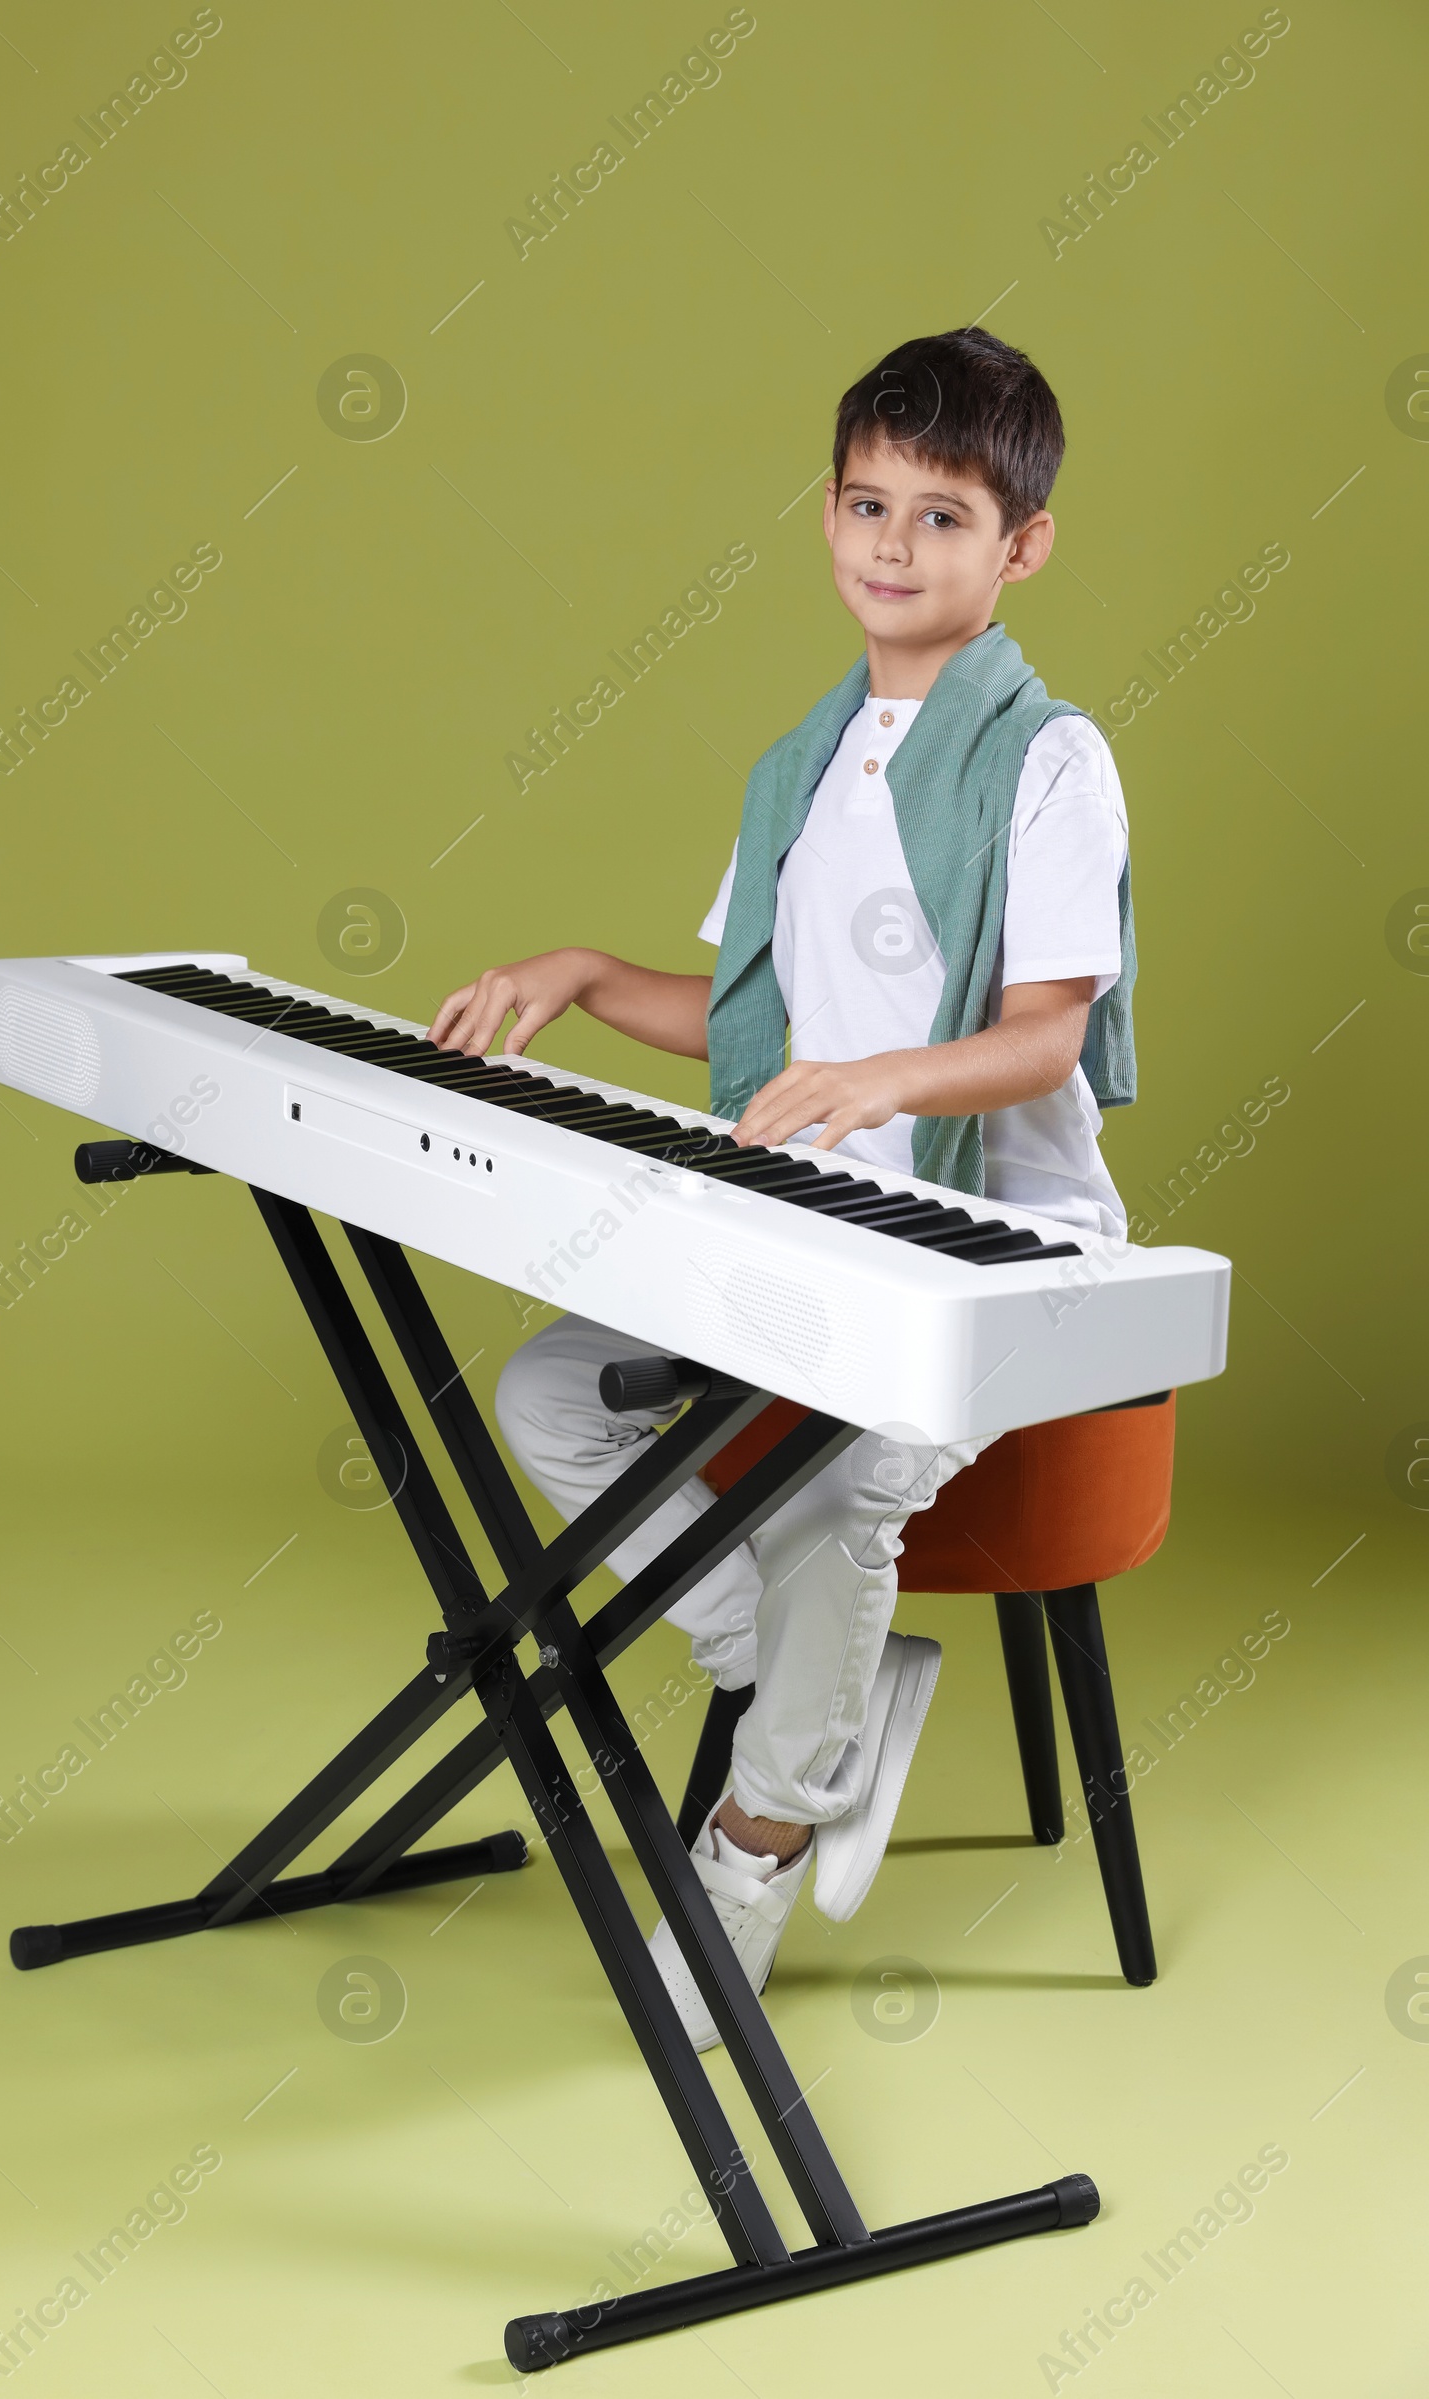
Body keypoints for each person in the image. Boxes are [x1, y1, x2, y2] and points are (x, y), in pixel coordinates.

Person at [429, 328, 1135, 2050]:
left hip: (998, 1253)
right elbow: (760, 1034)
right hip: (817, 1230)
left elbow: (1045, 1036)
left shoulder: (1052, 758)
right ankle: (805, 1684)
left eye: (944, 516)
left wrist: (888, 1081)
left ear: (1020, 544)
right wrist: (595, 971)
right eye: (867, 502)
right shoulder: (801, 767)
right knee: (549, 1393)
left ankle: (752, 1838)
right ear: (828, 509)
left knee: (836, 1482)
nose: (893, 545)